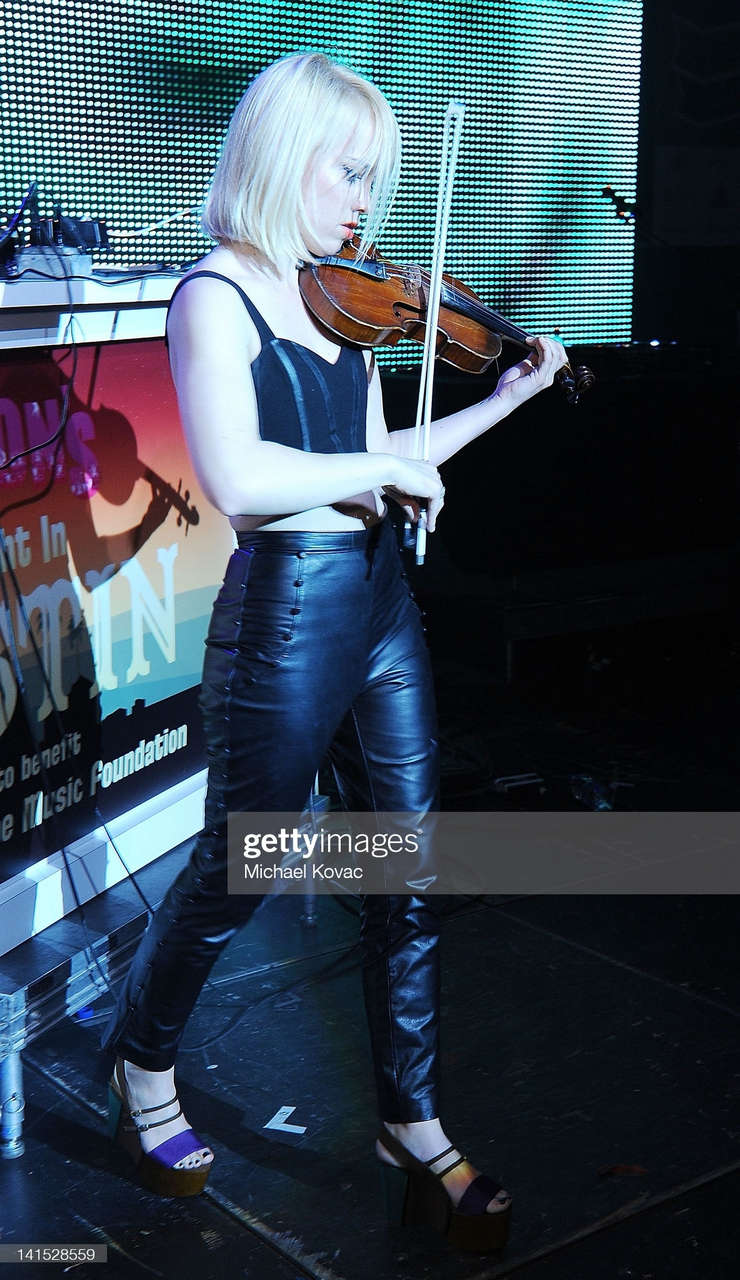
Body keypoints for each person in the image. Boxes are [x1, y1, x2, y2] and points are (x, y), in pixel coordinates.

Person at [100, 51, 566, 1251]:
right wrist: (381, 467)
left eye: (376, 179)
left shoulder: (337, 300)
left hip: (377, 606)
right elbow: (244, 478)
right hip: (291, 612)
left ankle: (409, 1120)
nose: (367, 202)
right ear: (279, 153)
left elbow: (381, 458)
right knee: (241, 863)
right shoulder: (217, 293)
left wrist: (503, 399)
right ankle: (140, 1064)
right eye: (349, 172)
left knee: (400, 872)